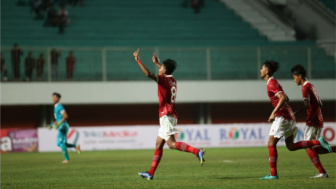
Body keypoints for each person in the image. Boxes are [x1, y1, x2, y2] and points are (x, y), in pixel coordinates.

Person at [133, 49, 206, 181]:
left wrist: (138, 59)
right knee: (158, 144)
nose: (160, 70)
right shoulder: (172, 80)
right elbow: (165, 71)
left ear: (164, 71)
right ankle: (150, 173)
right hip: (169, 114)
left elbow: (148, 74)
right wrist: (158, 63)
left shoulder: (162, 80)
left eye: (161, 69)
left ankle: (197, 151)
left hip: (166, 115)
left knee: (171, 144)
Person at [259, 60, 331, 180]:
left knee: (271, 144)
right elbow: (286, 97)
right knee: (291, 146)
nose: (260, 70)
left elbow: (282, 98)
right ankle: (318, 143)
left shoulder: (271, 83)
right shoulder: (274, 83)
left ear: (266, 72)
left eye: (262, 69)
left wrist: (273, 112)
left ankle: (273, 174)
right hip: (289, 117)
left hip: (283, 117)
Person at [291, 64, 335, 178]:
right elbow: (320, 103)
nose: (294, 79)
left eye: (294, 77)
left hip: (313, 120)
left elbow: (306, 105)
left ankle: (322, 172)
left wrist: (293, 114)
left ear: (300, 76)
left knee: (308, 146)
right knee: (315, 149)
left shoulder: (305, 87)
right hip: (318, 119)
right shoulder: (311, 85)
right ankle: (330, 150)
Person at [51, 92, 80, 163]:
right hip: (61, 125)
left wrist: (59, 124)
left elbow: (65, 116)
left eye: (55, 97)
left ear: (58, 98)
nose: (53, 99)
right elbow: (58, 119)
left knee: (61, 142)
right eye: (53, 97)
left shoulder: (59, 106)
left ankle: (67, 159)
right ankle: (75, 146)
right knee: (59, 143)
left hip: (63, 125)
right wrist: (54, 124)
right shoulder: (55, 107)